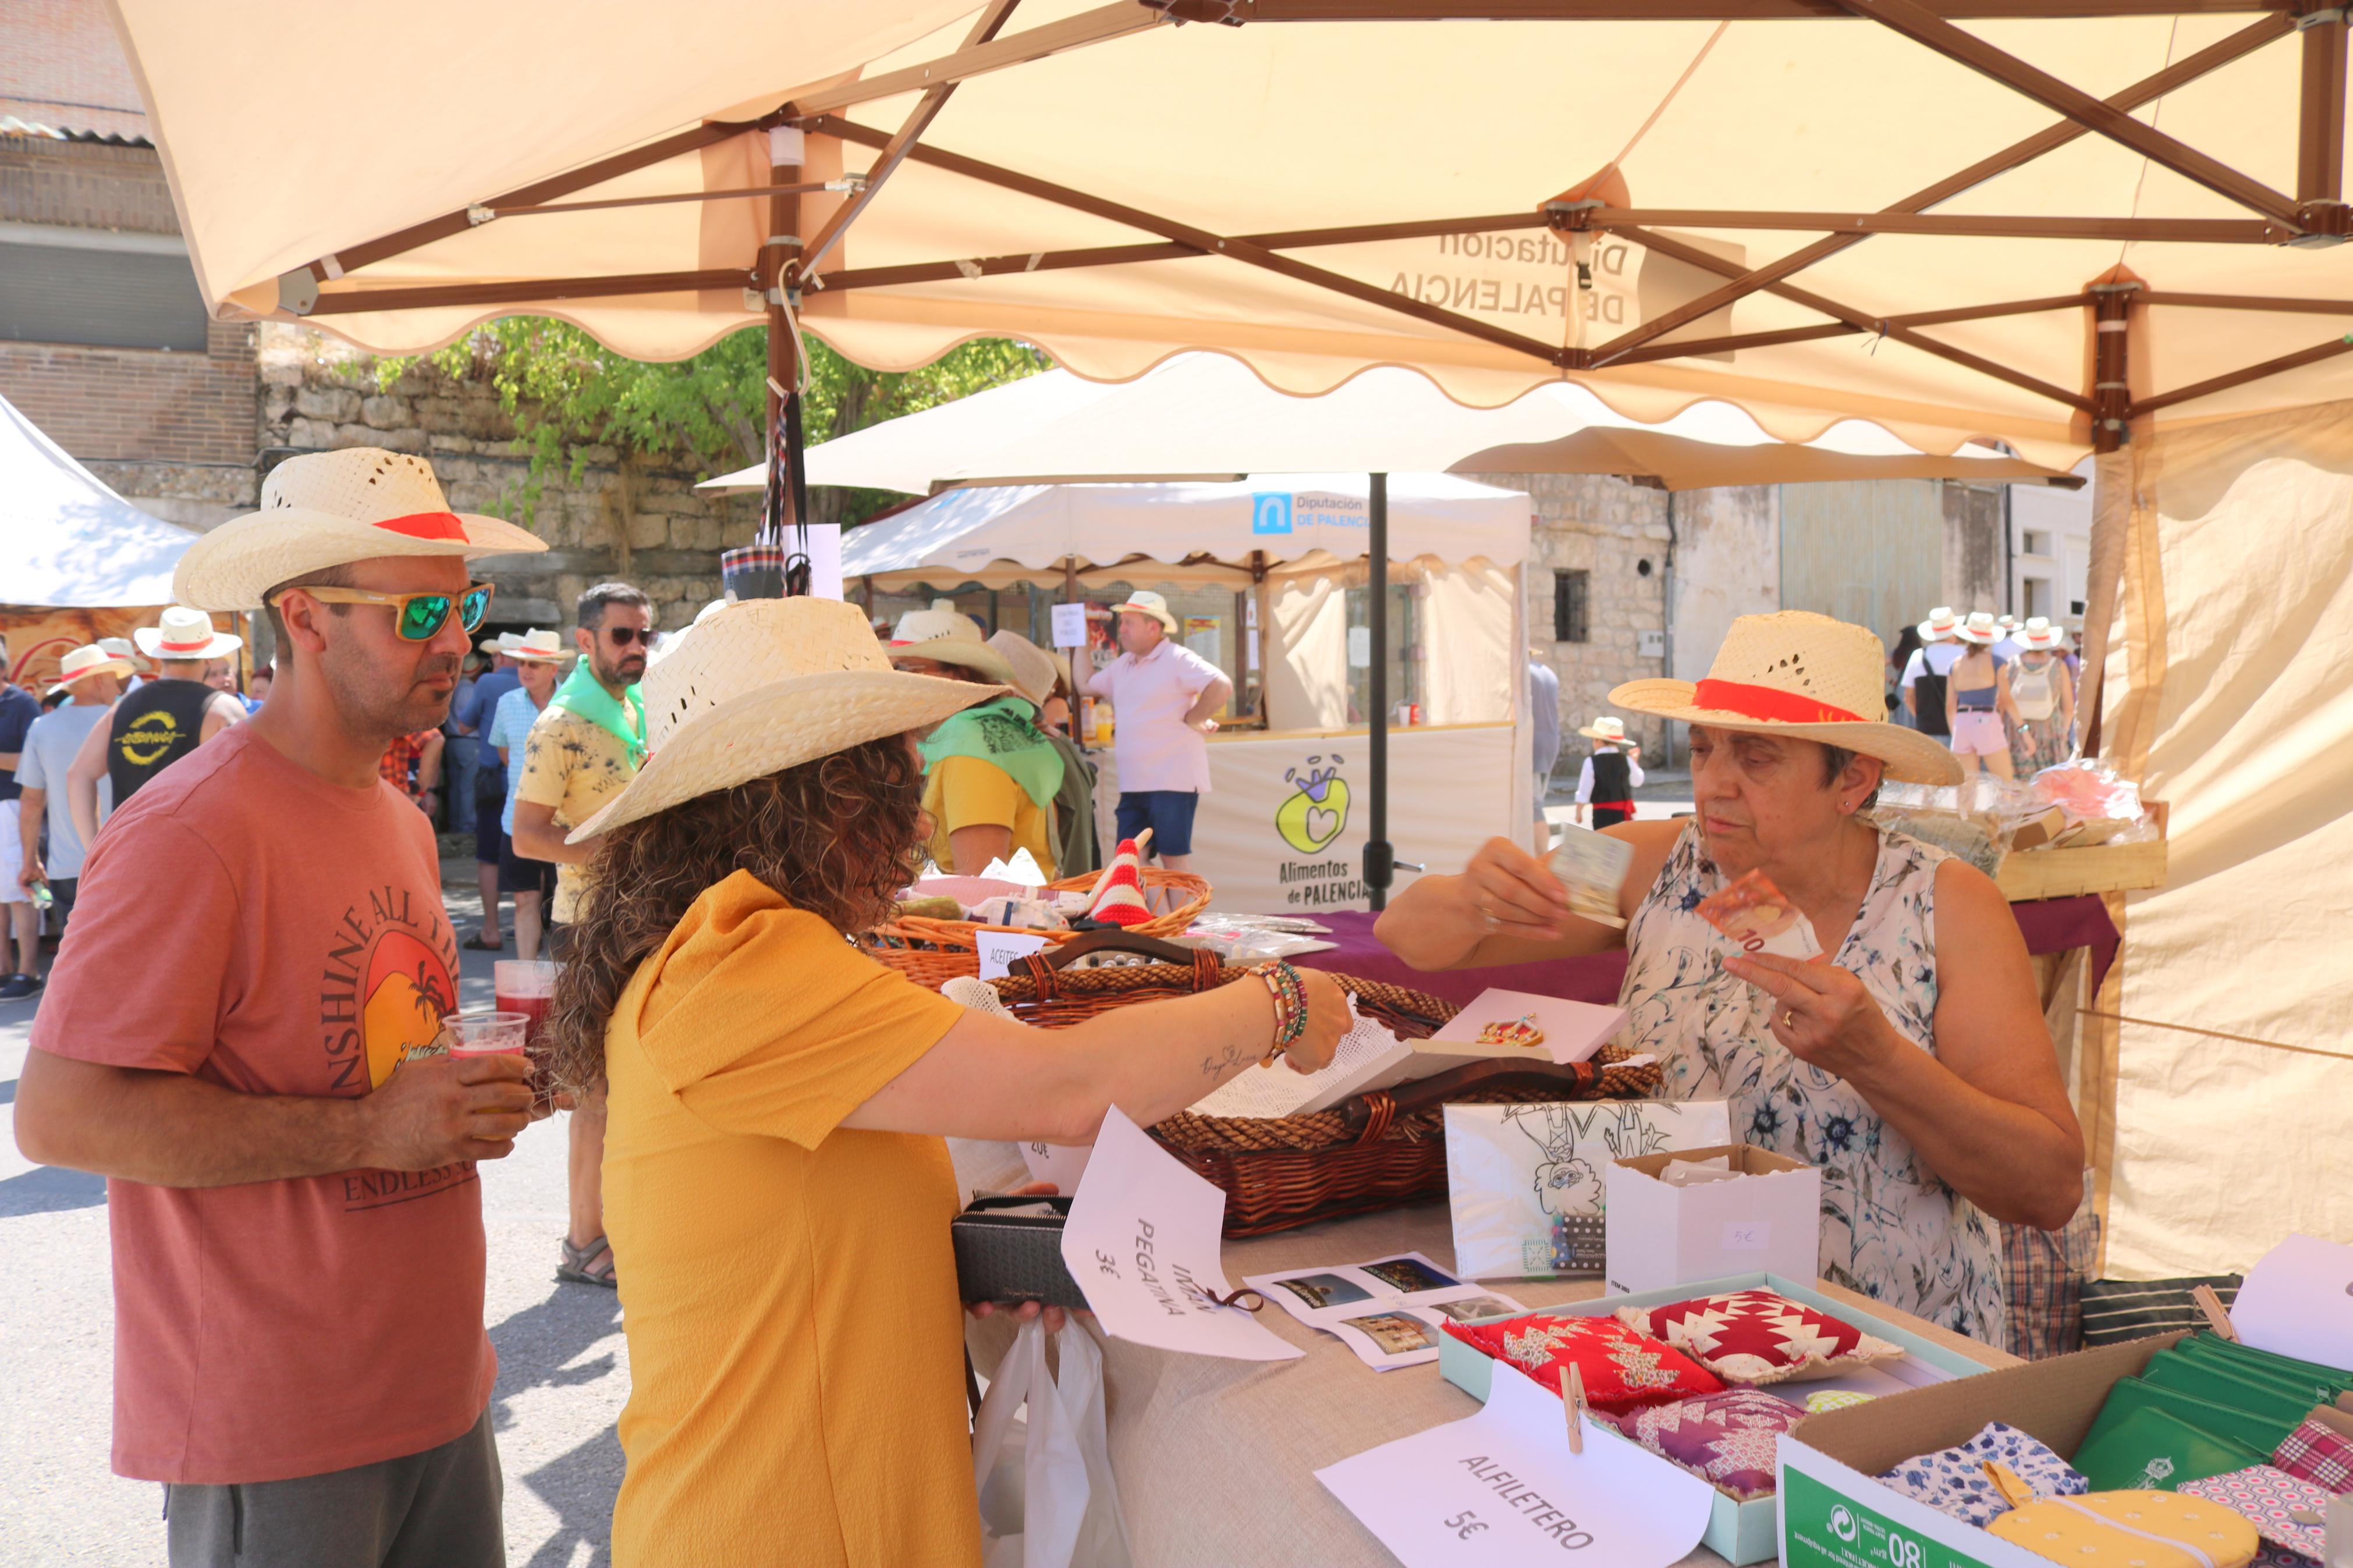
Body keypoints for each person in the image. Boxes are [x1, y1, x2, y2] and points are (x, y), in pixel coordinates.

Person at [536, 595, 1348, 1566]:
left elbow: (791, 1219)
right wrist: (1276, 1005)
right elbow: (1070, 1093)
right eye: (896, 786)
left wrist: (936, 1268)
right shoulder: (740, 963)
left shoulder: (711, 956)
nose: (917, 824)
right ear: (821, 797)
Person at [13, 446, 549, 1568]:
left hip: (442, 1389)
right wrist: (373, 1130)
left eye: (466, 605)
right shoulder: (191, 831)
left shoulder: (397, 817)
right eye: (420, 610)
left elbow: (378, 1052)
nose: (456, 639)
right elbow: (60, 1117)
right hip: (281, 1424)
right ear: (305, 619)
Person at [1375, 610, 2084, 1349]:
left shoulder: (1946, 905)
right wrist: (1470, 896)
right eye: (1704, 748)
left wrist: (1880, 1061)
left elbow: (2046, 1186)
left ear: (1852, 779)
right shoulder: (1649, 862)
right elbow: (1410, 936)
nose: (1712, 784)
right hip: (1672, 1328)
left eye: (1756, 758)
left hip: (1885, 1354)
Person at [509, 582, 651, 1292]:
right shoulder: (560, 723)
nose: (636, 648)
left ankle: (621, 1229)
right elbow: (527, 834)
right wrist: (619, 855)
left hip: (641, 917)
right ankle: (581, 1239)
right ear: (585, 640)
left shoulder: (634, 710)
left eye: (642, 635)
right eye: (621, 635)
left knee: (635, 1086)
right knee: (593, 1091)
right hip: (589, 923)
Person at [889, 603, 1066, 877]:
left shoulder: (969, 743)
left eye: (907, 668)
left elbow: (979, 884)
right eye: (893, 670)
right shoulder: (990, 727)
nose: (895, 682)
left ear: (959, 675)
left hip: (983, 918)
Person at [65, 606, 249, 849]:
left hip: (129, 857)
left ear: (160, 656)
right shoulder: (222, 709)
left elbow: (78, 775)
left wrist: (94, 850)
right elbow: (247, 789)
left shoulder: (121, 709)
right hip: (197, 858)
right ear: (208, 657)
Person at [1083, 589, 1231, 871]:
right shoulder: (1124, 664)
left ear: (1153, 628)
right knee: (1132, 858)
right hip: (1135, 783)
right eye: (1122, 621)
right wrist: (1078, 641)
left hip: (1172, 780)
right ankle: (1164, 915)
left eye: (1129, 623)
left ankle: (1181, 916)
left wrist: (1194, 718)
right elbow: (1085, 685)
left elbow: (1221, 686)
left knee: (1172, 858)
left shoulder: (1177, 657)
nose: (1121, 629)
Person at [13, 643, 133, 965]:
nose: (116, 685)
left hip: (68, 867)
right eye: (111, 677)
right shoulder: (130, 720)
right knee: (131, 959)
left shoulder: (43, 728)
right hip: (128, 859)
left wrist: (30, 862)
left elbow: (32, 801)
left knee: (81, 961)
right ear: (98, 680)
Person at [991, 628, 1099, 878]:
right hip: (1070, 893)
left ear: (1008, 695)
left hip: (1054, 900)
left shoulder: (1033, 751)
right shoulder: (1056, 742)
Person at [489, 629, 569, 961]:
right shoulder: (506, 704)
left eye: (534, 664)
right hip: (517, 819)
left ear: (553, 669)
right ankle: (526, 978)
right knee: (524, 900)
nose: (525, 670)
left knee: (567, 907)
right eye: (522, 662)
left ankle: (568, 985)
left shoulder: (573, 706)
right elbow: (506, 755)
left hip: (565, 822)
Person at [462, 635, 522, 950]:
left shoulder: (486, 683)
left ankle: (491, 930)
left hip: (494, 780)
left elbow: (463, 724)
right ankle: (526, 925)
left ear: (500, 657)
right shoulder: (542, 685)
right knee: (530, 851)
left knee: (488, 857)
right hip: (528, 779)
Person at [0, 646, 44, 999]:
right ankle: (4, 971)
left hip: (14, 806)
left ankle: (28, 972)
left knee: (20, 890)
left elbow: (33, 763)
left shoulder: (22, 705)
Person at [1946, 611, 2014, 780]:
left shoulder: (1955, 665)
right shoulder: (1997, 662)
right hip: (1986, 720)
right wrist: (2024, 729)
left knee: (1967, 789)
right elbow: (2006, 700)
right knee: (2005, 783)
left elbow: (1949, 707)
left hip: (1962, 723)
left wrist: (1955, 731)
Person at [2004, 617, 2077, 774]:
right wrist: (2062, 735)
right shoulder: (2058, 666)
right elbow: (2069, 708)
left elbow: (2005, 703)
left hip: (2018, 733)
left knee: (2019, 791)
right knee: (2049, 789)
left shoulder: (2012, 665)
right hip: (2050, 733)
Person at [1900, 606, 1962, 741]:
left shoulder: (1918, 656)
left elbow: (1908, 698)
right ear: (1954, 632)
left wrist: (1922, 718)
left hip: (1926, 732)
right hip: (1959, 731)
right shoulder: (1963, 656)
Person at [1571, 715, 1645, 829]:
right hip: (1624, 816)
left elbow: (1584, 791)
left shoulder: (1591, 762)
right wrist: (1635, 762)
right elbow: (1638, 781)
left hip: (1602, 815)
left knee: (1603, 844)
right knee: (1623, 843)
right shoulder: (1627, 760)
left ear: (1598, 740)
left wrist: (1578, 812)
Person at [1529, 653, 1561, 845]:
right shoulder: (1548, 673)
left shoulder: (1525, 673)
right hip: (1549, 742)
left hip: (1532, 745)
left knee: (1535, 807)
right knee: (1536, 803)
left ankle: (1542, 855)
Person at [379, 727, 446, 816]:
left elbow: (435, 739)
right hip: (368, 798)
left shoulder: (389, 715)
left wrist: (419, 793)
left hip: (390, 799)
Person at [1886, 624, 1925, 729]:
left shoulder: (1898, 653)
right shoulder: (1921, 654)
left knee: (1902, 720)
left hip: (1900, 689)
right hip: (1917, 688)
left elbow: (1878, 666)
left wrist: (1891, 681)